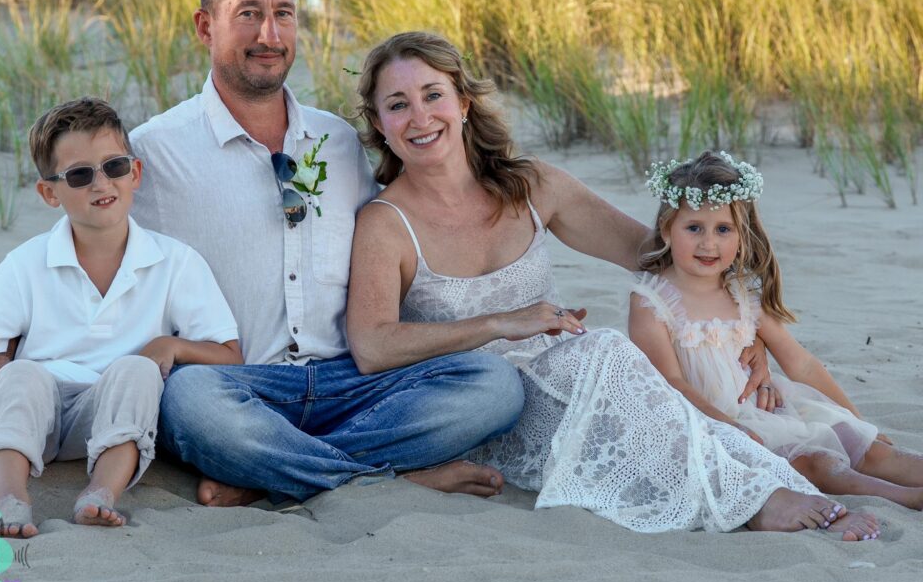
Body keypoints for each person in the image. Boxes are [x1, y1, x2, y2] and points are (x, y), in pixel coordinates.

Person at [345, 30, 881, 540]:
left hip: (571, 379)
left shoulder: (532, 186)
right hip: (480, 408)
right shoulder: (385, 222)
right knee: (606, 348)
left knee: (627, 375)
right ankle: (763, 502)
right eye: (397, 104)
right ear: (380, 123)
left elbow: (665, 256)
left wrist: (749, 332)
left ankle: (770, 486)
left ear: (462, 102)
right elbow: (372, 347)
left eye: (432, 95)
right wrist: (498, 324)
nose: (420, 117)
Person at [124, 0, 524, 505]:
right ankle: (389, 476)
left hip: (352, 382)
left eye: (284, 13)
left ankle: (275, 474)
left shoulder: (335, 140)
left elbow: (399, 235)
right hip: (240, 385)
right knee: (187, 401)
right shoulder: (155, 151)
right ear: (205, 26)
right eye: (248, 13)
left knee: (494, 386)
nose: (270, 34)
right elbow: (80, 258)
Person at [0, 99, 241, 535]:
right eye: (80, 175)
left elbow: (231, 354)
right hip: (34, 415)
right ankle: (11, 497)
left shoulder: (176, 262)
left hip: (111, 415)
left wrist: (174, 345)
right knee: (19, 376)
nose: (102, 183)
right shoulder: (26, 264)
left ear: (135, 172)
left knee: (137, 370)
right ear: (49, 193)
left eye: (114, 166)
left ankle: (99, 493)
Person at [630, 150, 922, 515]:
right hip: (716, 425)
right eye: (694, 228)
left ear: (742, 233)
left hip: (777, 413)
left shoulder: (742, 296)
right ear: (666, 229)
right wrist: (730, 429)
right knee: (816, 463)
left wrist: (860, 420)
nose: (709, 244)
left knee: (867, 445)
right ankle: (904, 498)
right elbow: (672, 383)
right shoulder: (652, 302)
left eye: (723, 229)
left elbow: (802, 365)